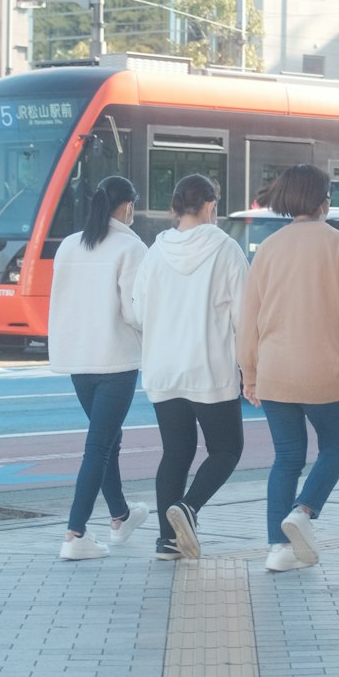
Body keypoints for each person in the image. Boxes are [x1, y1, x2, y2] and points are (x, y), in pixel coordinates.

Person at [237, 164, 339, 572]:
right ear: (324, 200)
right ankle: (303, 512)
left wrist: (249, 375)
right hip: (325, 372)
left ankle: (278, 550)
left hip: (274, 372)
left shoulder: (267, 249)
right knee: (335, 448)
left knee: (286, 458)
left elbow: (248, 318)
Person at [132, 173, 248, 560]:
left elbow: (138, 312)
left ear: (175, 208)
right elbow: (244, 316)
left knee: (176, 453)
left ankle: (167, 540)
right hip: (209, 368)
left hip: (163, 369)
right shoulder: (226, 249)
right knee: (227, 449)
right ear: (211, 206)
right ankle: (189, 507)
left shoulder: (155, 251)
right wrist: (250, 366)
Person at [48, 175, 149, 561]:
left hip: (78, 359)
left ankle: (121, 516)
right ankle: (75, 534)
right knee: (99, 445)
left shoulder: (70, 246)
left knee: (107, 439)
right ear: (126, 206)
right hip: (116, 359)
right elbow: (134, 311)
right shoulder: (130, 246)